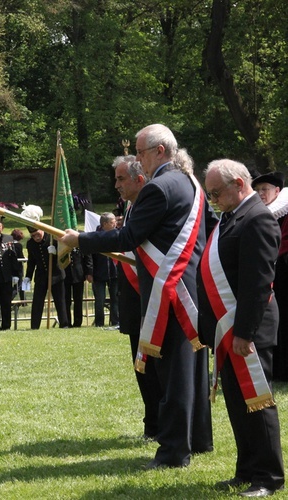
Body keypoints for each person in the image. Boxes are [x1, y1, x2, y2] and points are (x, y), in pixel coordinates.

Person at [59, 123, 214, 469]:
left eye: (141, 152)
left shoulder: (158, 188)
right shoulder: (191, 183)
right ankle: (200, 439)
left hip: (170, 291)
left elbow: (128, 237)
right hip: (191, 289)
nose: (138, 160)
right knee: (192, 368)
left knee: (172, 373)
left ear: (160, 151)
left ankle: (174, 452)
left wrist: (79, 240)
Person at [199, 160, 284, 497]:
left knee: (257, 402)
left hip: (249, 329)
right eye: (210, 194)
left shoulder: (258, 218)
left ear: (237, 183)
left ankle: (269, 477)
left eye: (216, 192)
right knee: (238, 402)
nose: (214, 199)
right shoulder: (232, 217)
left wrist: (245, 333)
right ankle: (247, 470)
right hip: (230, 328)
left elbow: (258, 284)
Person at [113, 155, 162, 439]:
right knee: (140, 364)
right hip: (134, 297)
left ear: (139, 179)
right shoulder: (131, 207)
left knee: (154, 367)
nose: (116, 185)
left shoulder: (149, 205)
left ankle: (158, 424)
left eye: (121, 179)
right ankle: (152, 422)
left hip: (151, 296)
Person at [252, 172, 288, 382]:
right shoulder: (264, 213)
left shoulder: (283, 211)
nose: (261, 194)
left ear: (277, 191)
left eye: (265, 189)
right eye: (258, 190)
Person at [25, 225, 69, 329]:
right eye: (33, 235)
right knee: (37, 302)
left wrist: (56, 252)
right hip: (41, 277)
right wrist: (28, 277)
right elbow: (31, 262)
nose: (36, 237)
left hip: (56, 275)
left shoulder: (52, 238)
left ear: (41, 229)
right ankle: (34, 327)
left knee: (60, 301)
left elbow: (65, 254)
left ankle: (64, 324)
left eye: (37, 234)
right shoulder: (30, 244)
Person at [89, 213, 119, 328]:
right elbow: (90, 256)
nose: (115, 224)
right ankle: (99, 323)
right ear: (104, 224)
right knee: (100, 300)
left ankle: (115, 321)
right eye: (112, 222)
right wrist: (90, 272)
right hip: (98, 273)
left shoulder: (117, 235)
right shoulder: (95, 236)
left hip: (114, 272)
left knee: (115, 298)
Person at [63, 247, 89, 328]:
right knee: (66, 300)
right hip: (64, 274)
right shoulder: (60, 242)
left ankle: (78, 322)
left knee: (78, 300)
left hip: (78, 274)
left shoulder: (78, 241)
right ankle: (67, 322)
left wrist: (89, 272)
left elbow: (87, 257)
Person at [11, 229, 26, 300]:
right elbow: (20, 256)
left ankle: (23, 300)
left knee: (22, 283)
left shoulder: (9, 244)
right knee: (18, 286)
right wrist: (24, 259)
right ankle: (9, 300)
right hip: (18, 268)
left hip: (11, 268)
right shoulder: (18, 245)